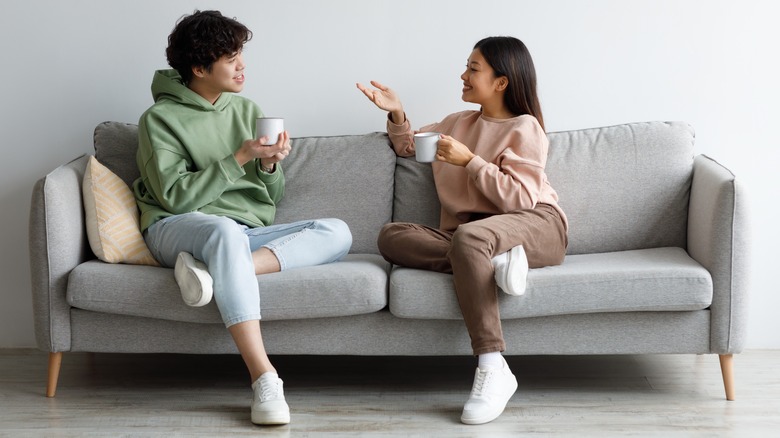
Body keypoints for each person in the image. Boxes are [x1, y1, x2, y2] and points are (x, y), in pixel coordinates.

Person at [133, 10, 352, 426]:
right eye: (231, 58)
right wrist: (240, 157)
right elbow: (175, 197)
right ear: (199, 68)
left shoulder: (246, 108)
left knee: (337, 232)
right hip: (176, 228)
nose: (242, 65)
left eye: (241, 55)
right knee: (220, 231)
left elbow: (270, 201)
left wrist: (269, 167)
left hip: (239, 233)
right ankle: (264, 376)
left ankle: (219, 272)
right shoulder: (158, 120)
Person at [357, 36, 568, 425]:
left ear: (501, 82)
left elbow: (520, 198)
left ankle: (492, 366)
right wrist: (398, 113)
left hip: (535, 223)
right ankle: (490, 260)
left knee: (472, 239)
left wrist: (470, 161)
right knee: (391, 236)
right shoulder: (457, 123)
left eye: (474, 68)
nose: (463, 75)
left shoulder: (526, 127)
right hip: (478, 235)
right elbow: (409, 148)